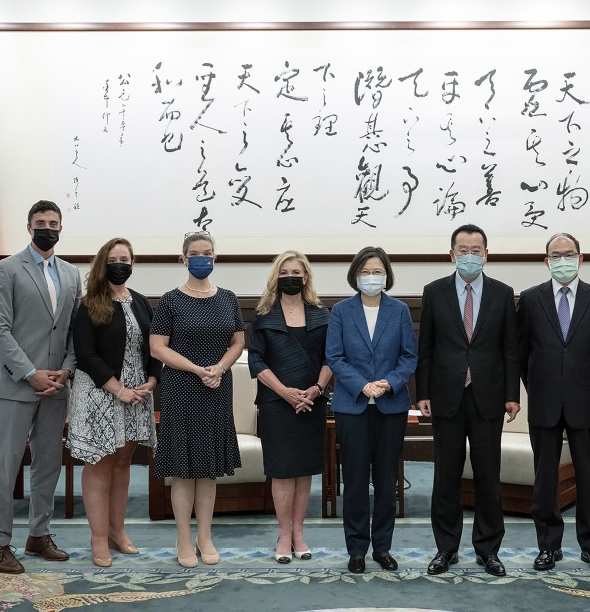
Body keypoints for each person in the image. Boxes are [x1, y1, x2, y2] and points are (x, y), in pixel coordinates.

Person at [0, 199, 82, 574]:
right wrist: (30, 373)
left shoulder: (71, 274)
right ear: (29, 227)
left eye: (53, 222)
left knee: (48, 465)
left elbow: (75, 330)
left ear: (61, 228)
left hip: (56, 387)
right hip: (15, 385)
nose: (47, 227)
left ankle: (39, 535)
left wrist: (66, 370)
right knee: (6, 467)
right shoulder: (5, 270)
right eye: (40, 222)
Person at [416, 224, 520, 577]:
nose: (470, 255)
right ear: (452, 254)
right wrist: (423, 393)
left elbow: (510, 349)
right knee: (445, 476)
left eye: (476, 249)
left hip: (488, 396)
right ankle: (446, 549)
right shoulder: (434, 292)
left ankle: (488, 550)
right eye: (463, 249)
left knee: (488, 476)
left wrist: (511, 395)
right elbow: (425, 347)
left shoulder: (503, 293)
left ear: (486, 254)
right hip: (446, 396)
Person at [516, 232, 590, 573]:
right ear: (546, 261)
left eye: (569, 254)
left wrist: (585, 381)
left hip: (584, 399)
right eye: (555, 255)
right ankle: (548, 546)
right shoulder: (529, 300)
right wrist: (539, 384)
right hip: (543, 399)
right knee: (545, 478)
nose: (563, 260)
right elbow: (520, 352)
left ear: (580, 258)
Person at [150, 231, 245, 568]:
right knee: (182, 468)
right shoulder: (170, 300)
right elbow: (157, 347)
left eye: (207, 252)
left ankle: (205, 536)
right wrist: (196, 369)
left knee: (208, 469)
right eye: (194, 253)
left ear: (215, 256)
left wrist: (219, 367)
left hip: (217, 387)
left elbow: (237, 341)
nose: (202, 257)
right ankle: (183, 538)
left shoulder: (229, 298)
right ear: (183, 258)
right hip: (182, 387)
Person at [325, 247, 417, 573]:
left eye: (378, 271)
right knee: (355, 479)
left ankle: (383, 547)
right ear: (355, 275)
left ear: (387, 275)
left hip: (391, 406)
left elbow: (409, 357)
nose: (372, 277)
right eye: (366, 271)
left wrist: (388, 383)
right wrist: (362, 385)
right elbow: (334, 357)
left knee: (386, 480)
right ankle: (357, 549)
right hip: (353, 405)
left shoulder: (400, 310)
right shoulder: (340, 311)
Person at [68, 238, 159, 568]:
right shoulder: (89, 303)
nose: (121, 263)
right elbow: (86, 355)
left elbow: (154, 346)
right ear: (103, 264)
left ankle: (117, 531)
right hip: (99, 394)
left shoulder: (141, 302)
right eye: (114, 258)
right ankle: (97, 538)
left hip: (137, 395)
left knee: (123, 462)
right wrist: (118, 389)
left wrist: (151, 379)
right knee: (100, 463)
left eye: (126, 258)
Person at [249, 250, 332, 564]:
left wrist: (318, 388)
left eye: (296, 272)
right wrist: (284, 391)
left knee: (303, 470)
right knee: (283, 471)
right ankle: (284, 533)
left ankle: (299, 532)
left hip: (312, 401)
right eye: (285, 273)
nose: (291, 278)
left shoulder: (322, 314)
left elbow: (331, 357)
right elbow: (256, 359)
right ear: (276, 277)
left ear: (306, 276)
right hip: (276, 402)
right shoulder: (264, 314)